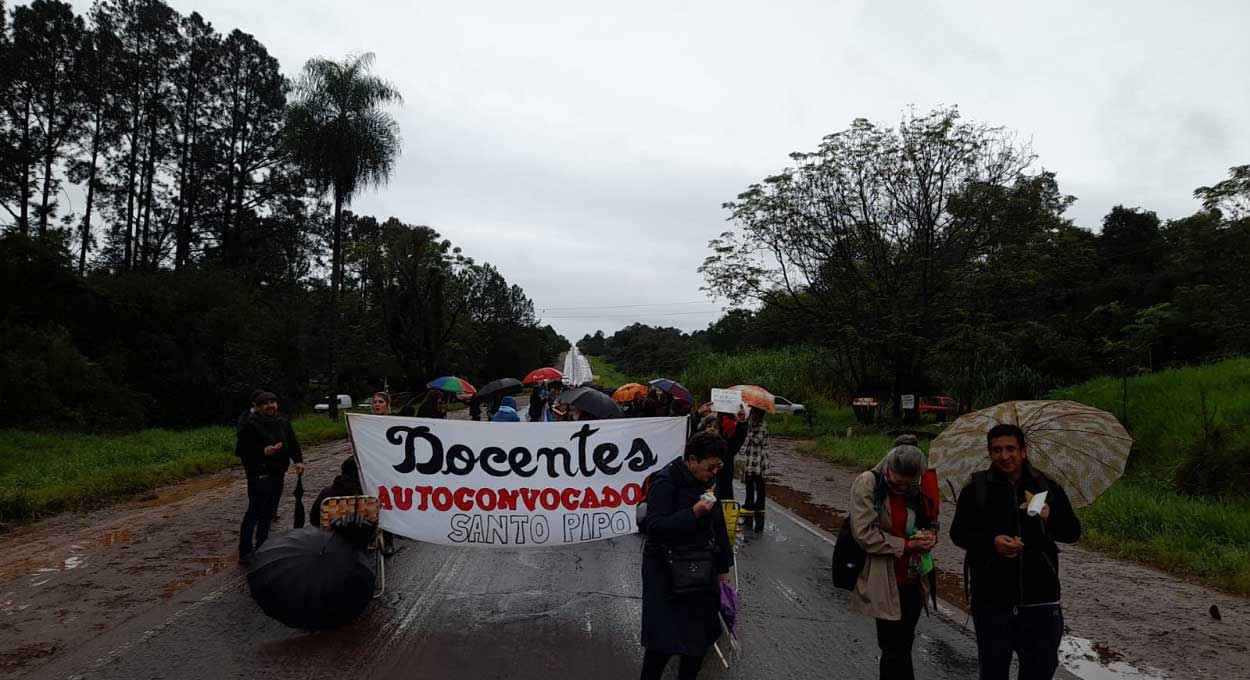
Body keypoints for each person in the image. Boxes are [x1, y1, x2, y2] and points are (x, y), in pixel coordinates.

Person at [950, 424, 1081, 680]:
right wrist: (992, 542)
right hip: (991, 600)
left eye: (1010, 448)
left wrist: (1050, 517)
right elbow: (959, 534)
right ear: (989, 453)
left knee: (1040, 670)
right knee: (994, 671)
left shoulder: (1046, 486)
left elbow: (1072, 533)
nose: (1004, 455)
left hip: (1041, 599)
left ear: (1023, 451)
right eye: (997, 450)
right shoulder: (976, 488)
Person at [639, 431, 734, 680]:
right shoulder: (666, 481)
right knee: (662, 645)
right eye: (710, 467)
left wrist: (724, 569)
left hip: (701, 573)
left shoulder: (709, 482)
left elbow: (719, 526)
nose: (714, 472)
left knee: (697, 643)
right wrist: (693, 512)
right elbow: (655, 527)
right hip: (666, 573)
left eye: (719, 467)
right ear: (692, 460)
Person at [848, 435, 937, 680]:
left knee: (901, 645)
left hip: (914, 578)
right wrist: (907, 545)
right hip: (885, 578)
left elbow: (930, 519)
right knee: (893, 647)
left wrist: (930, 535)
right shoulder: (868, 483)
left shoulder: (918, 488)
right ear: (889, 467)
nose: (904, 486)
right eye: (899, 480)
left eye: (911, 482)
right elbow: (864, 534)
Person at [235, 392, 304, 563]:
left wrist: (299, 461)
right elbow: (240, 451)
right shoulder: (249, 425)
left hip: (278, 472)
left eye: (273, 402)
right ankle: (245, 552)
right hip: (259, 474)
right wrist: (262, 451)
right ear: (258, 407)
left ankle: (262, 546)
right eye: (265, 403)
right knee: (254, 512)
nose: (270, 405)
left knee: (269, 511)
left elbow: (293, 443)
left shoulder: (282, 422)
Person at [309, 457, 364, 527]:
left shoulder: (327, 493)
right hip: (364, 535)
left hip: (331, 535)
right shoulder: (368, 493)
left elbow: (314, 520)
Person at [740, 407, 770, 532]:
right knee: (749, 483)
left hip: (758, 460)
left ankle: (759, 505)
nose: (752, 416)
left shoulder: (762, 426)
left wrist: (749, 432)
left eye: (753, 414)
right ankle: (749, 505)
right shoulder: (753, 425)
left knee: (759, 483)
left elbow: (757, 440)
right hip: (751, 458)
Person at [714, 408, 748, 501]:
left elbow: (737, 442)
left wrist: (742, 422)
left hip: (725, 470)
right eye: (709, 426)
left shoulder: (733, 424)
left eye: (715, 427)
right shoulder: (701, 440)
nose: (712, 429)